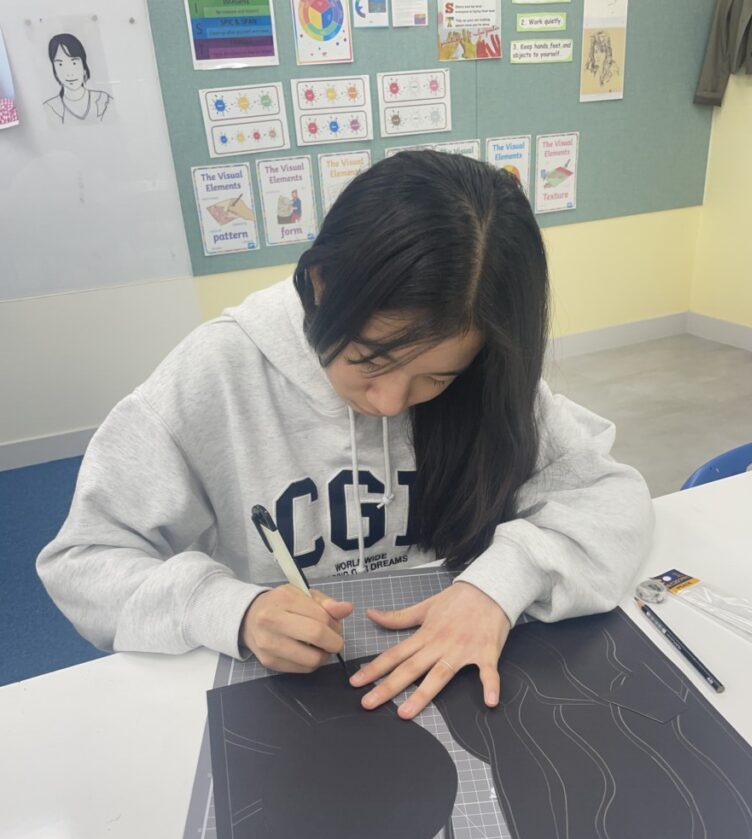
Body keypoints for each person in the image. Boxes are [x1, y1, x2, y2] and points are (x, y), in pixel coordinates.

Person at [37, 151, 653, 719]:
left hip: (460, 673)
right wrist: (232, 609)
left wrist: (499, 587)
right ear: (322, 285)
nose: (388, 404)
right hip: (282, 694)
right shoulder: (215, 375)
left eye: (436, 378)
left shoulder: (485, 376)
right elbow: (82, 563)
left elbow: (611, 501)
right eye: (370, 360)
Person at [43, 33, 112, 125]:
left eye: (74, 63)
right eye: (60, 64)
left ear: (84, 66)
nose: (69, 73)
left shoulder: (103, 100)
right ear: (55, 70)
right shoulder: (51, 108)